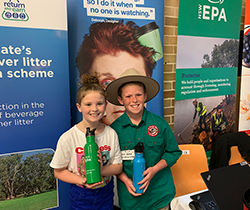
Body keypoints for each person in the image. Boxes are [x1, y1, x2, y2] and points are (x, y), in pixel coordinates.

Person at [106, 68, 182, 210]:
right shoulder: (114, 130)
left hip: (159, 196)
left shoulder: (160, 123)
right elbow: (111, 163)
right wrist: (125, 180)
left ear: (145, 96)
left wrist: (154, 169)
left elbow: (173, 152)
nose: (134, 100)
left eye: (138, 95)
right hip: (131, 201)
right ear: (120, 100)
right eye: (128, 96)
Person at [50, 73, 123, 210]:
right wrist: (82, 180)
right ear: (79, 107)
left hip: (105, 193)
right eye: (88, 104)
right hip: (81, 194)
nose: (94, 109)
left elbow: (118, 166)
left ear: (106, 105)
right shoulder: (68, 137)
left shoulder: (111, 134)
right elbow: (58, 171)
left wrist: (102, 169)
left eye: (99, 104)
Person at [75, 20, 157, 126]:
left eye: (133, 81)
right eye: (107, 83)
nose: (123, 97)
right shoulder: (79, 138)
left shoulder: (158, 128)